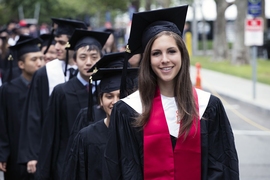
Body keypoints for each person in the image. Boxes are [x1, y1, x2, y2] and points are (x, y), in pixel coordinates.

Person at [103, 5, 239, 180]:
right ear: (147, 60)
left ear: (182, 55)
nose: (165, 60)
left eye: (172, 51)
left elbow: (223, 167)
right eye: (156, 53)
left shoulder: (209, 106)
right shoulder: (128, 109)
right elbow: (121, 169)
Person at [35, 29, 110, 179]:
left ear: (101, 59)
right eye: (83, 57)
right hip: (66, 163)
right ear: (75, 61)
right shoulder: (61, 92)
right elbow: (51, 134)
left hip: (101, 164)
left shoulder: (109, 94)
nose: (88, 62)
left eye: (94, 57)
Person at [17, 18, 87, 174]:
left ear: (74, 42)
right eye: (56, 42)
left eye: (61, 43)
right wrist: (33, 154)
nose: (56, 47)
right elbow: (33, 115)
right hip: (54, 150)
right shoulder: (45, 73)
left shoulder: (90, 73)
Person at [62, 52, 139, 180]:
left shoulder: (139, 135)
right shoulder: (86, 137)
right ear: (101, 101)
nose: (115, 102)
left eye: (121, 96)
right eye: (109, 96)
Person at [0, 37, 45, 179]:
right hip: (15, 155)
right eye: (34, 59)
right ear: (21, 64)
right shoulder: (8, 90)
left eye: (41, 58)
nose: (40, 63)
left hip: (41, 155)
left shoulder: (48, 88)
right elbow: (2, 124)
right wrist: (2, 153)